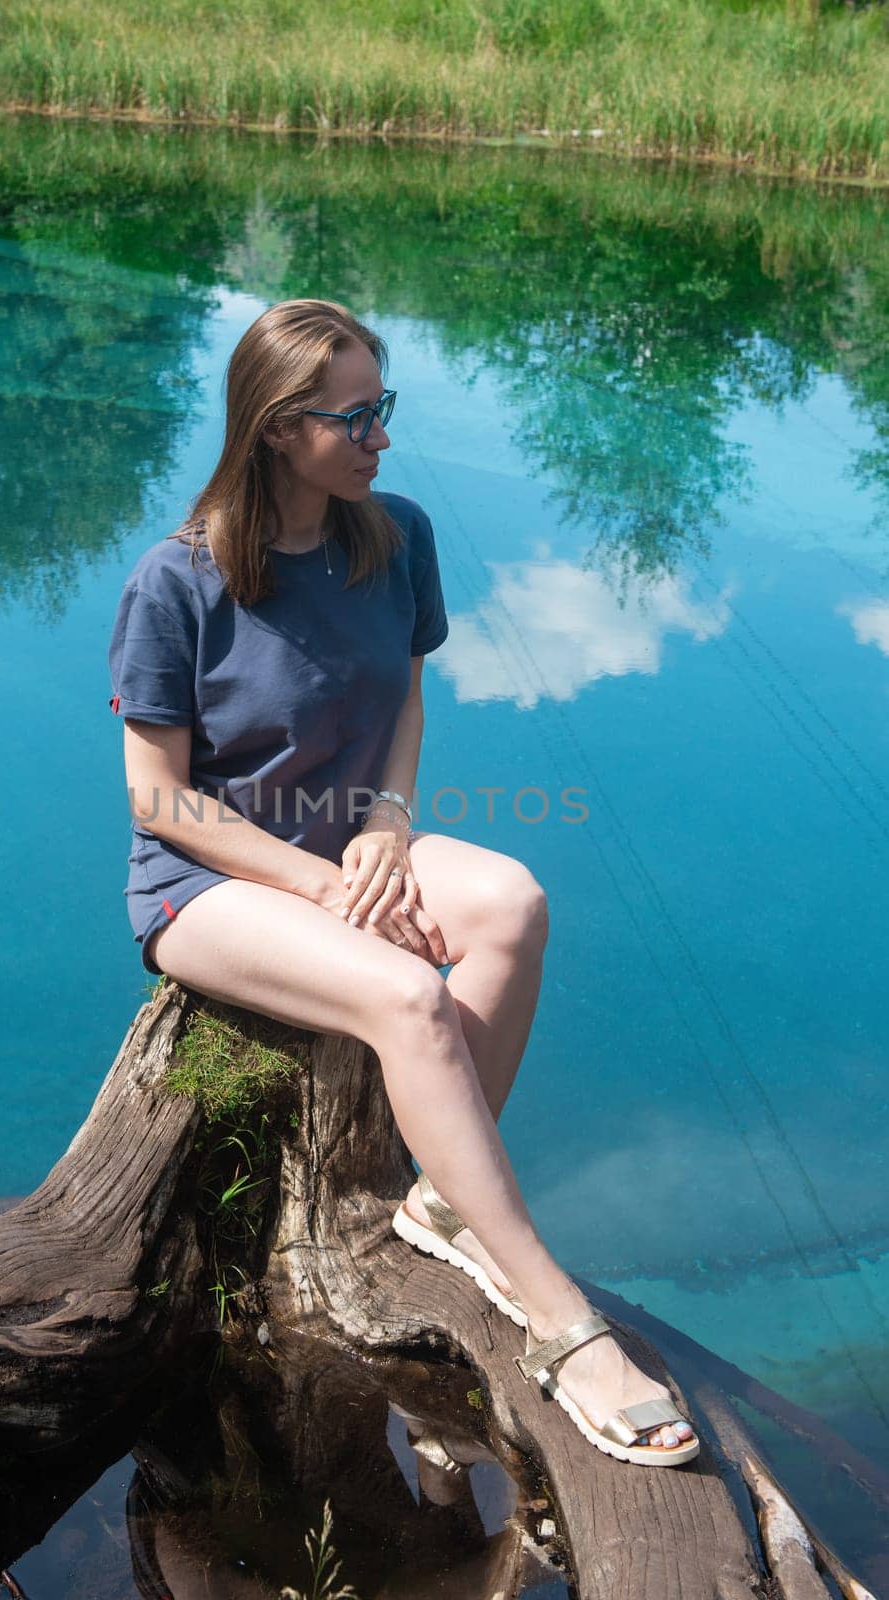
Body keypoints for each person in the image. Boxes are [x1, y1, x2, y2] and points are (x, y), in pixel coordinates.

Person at [107, 298, 698, 1468]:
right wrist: (318, 886)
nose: (383, 435)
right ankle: (559, 1317)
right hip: (206, 887)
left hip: (349, 846)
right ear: (279, 428)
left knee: (513, 904)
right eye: (358, 415)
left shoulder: (394, 536)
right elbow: (159, 800)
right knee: (409, 996)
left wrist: (386, 822)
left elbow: (407, 701)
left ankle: (438, 1205)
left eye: (387, 407)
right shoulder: (175, 583)